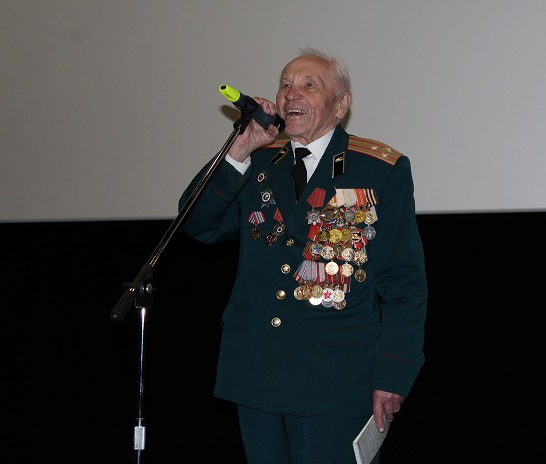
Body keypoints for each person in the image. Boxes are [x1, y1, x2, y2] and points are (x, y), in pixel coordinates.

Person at [179, 47, 427, 464]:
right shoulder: (259, 160)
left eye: (309, 85)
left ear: (341, 104)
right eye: (285, 85)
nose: (291, 94)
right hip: (256, 374)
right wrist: (240, 149)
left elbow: (404, 284)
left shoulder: (379, 169)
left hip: (335, 381)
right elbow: (196, 224)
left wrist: (393, 373)